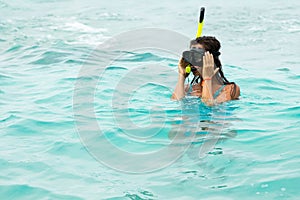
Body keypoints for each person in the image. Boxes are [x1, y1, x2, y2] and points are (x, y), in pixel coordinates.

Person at [171, 36, 240, 105]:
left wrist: (207, 79)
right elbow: (176, 103)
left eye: (197, 57)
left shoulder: (230, 89)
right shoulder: (188, 88)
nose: (193, 63)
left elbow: (207, 106)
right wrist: (181, 75)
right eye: (191, 57)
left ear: (211, 60)